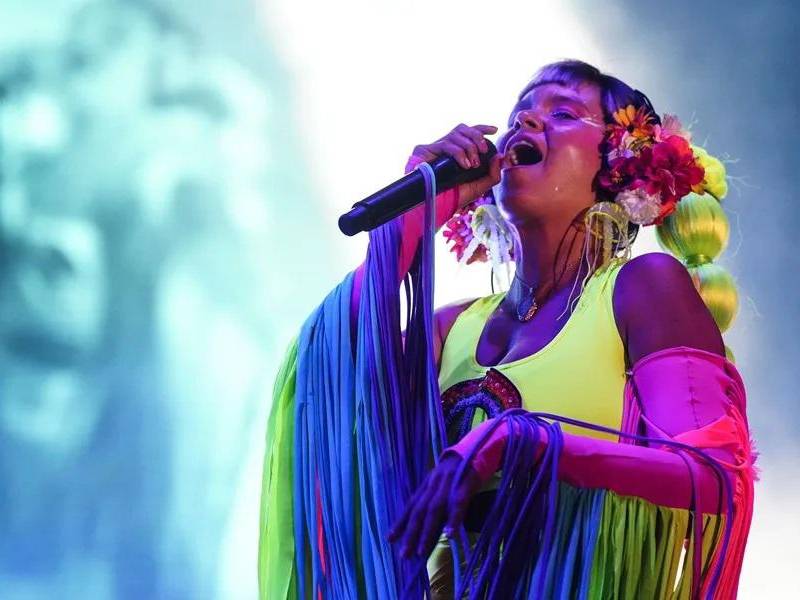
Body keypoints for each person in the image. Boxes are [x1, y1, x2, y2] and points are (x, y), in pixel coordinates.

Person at [259, 60, 757, 599]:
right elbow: (329, 394)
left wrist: (527, 441)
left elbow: (712, 476)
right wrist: (406, 229)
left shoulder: (642, 287)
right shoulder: (452, 328)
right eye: (519, 115)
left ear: (620, 164)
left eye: (562, 112)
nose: (527, 124)